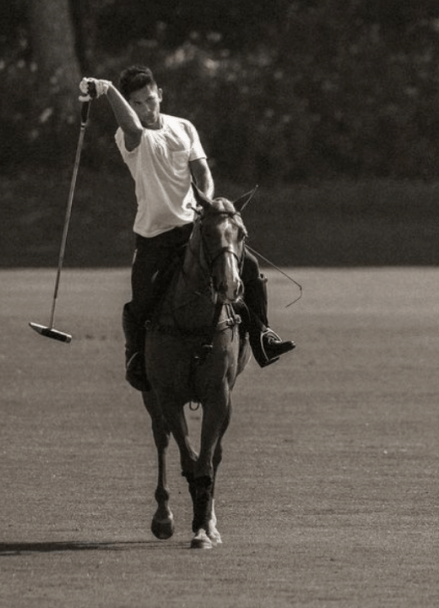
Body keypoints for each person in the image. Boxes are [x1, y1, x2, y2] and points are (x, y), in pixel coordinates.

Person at [79, 65, 294, 392]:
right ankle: (136, 356)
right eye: (137, 103)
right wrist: (108, 91)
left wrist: (205, 201)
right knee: (141, 298)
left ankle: (263, 335)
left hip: (192, 228)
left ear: (160, 95)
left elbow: (202, 171)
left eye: (150, 99)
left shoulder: (183, 128)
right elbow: (135, 129)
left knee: (247, 266)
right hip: (154, 235)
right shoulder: (128, 135)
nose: (146, 108)